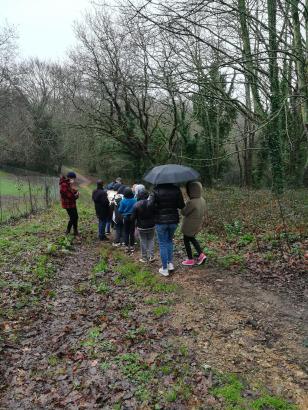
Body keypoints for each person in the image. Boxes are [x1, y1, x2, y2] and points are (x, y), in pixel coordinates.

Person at [149, 183, 185, 276]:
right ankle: (170, 264)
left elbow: (149, 205)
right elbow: (181, 205)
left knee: (162, 243)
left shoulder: (155, 190)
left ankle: (164, 269)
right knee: (169, 241)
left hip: (160, 221)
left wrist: (157, 207)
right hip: (173, 220)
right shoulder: (176, 189)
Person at [181, 181, 207, 266]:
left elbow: (184, 212)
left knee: (186, 240)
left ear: (191, 191)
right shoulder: (202, 200)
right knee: (192, 238)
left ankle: (190, 259)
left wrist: (184, 204)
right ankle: (201, 254)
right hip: (197, 224)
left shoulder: (191, 202)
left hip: (189, 225)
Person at [131, 190, 155, 263]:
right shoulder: (151, 204)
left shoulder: (136, 205)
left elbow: (133, 218)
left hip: (141, 226)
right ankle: (152, 256)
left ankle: (144, 258)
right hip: (151, 225)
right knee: (151, 240)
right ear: (147, 195)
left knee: (143, 241)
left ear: (139, 195)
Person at [59, 171, 80, 236]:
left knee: (76, 217)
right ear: (70, 178)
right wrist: (76, 196)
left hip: (72, 203)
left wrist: (75, 191)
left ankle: (75, 230)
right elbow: (67, 195)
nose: (73, 180)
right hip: (68, 204)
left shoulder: (67, 183)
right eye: (73, 178)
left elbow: (70, 190)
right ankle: (67, 231)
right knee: (72, 217)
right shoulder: (64, 184)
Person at [118, 187, 137, 251]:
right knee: (132, 232)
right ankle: (132, 246)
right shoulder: (135, 200)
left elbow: (120, 210)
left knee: (126, 232)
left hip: (125, 217)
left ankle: (126, 246)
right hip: (133, 217)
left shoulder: (123, 201)